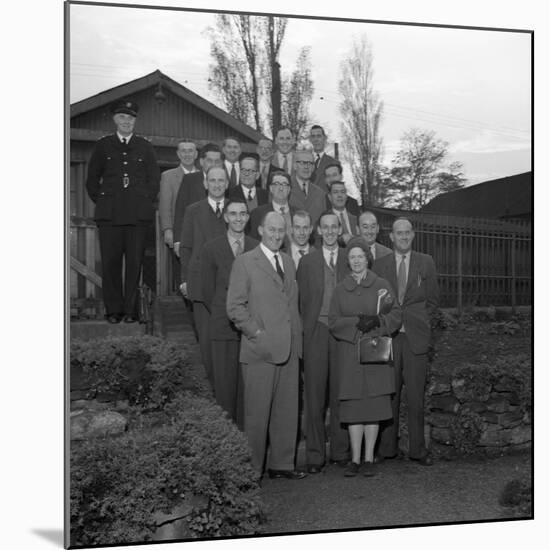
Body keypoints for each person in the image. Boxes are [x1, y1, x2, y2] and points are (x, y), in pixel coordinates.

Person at [227, 211, 306, 480]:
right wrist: (256, 333)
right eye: (271, 230)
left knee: (286, 412)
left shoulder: (288, 261)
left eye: (281, 231)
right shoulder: (245, 262)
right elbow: (234, 306)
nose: (276, 235)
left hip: (289, 349)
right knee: (257, 417)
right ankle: (252, 472)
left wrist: (298, 342)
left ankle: (282, 464)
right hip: (260, 350)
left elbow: (291, 305)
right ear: (260, 230)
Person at [329, 237, 401, 477]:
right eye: (352, 257)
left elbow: (395, 314)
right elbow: (333, 321)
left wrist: (378, 322)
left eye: (360, 256)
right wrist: (356, 323)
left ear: (367, 259)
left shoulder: (382, 285)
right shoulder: (340, 289)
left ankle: (369, 458)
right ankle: (355, 458)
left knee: (373, 406)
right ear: (347, 261)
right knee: (354, 408)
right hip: (350, 355)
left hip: (374, 353)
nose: (357, 260)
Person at [85, 99, 160, 323]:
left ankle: (131, 311)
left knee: (134, 264)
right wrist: (105, 202)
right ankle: (113, 310)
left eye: (131, 118)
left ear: (135, 121)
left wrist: (145, 202)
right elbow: (91, 181)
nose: (127, 122)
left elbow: (153, 180)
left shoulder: (145, 146)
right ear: (115, 120)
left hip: (137, 217)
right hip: (110, 217)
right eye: (122, 117)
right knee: (110, 264)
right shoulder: (103, 145)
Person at [372, 217, 439, 466]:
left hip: (415, 338)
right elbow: (375, 302)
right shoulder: (379, 264)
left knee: (415, 397)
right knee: (389, 395)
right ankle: (387, 449)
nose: (403, 236)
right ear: (391, 236)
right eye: (399, 233)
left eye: (407, 232)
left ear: (413, 235)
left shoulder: (426, 262)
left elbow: (432, 302)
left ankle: (417, 450)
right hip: (389, 337)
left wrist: (421, 323)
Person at [297, 211, 351, 473]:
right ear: (318, 231)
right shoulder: (307, 262)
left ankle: (341, 450)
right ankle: (315, 455)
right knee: (315, 396)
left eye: (334, 227)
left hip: (341, 335)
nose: (330, 231)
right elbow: (301, 302)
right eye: (325, 227)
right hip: (316, 332)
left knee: (341, 393)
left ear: (340, 230)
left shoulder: (350, 260)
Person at [201, 199, 258, 429]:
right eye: (233, 213)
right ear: (225, 217)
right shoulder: (211, 248)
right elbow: (207, 291)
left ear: (247, 217)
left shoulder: (256, 247)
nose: (238, 218)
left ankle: (248, 442)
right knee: (224, 389)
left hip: (251, 329)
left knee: (248, 389)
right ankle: (227, 444)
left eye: (242, 213)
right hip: (223, 327)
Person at [179, 166, 229, 388]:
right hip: (200, 286)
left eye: (221, 180)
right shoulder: (193, 210)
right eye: (213, 180)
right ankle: (213, 391)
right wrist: (184, 281)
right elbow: (186, 248)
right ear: (205, 183)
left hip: (228, 287)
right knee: (207, 343)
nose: (217, 184)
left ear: (227, 184)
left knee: (228, 343)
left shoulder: (235, 210)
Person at [172, 143, 223, 257]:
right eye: (209, 160)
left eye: (217, 161)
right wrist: (177, 240)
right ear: (201, 162)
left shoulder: (225, 182)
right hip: (194, 239)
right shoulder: (190, 180)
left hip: (219, 240)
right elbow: (180, 210)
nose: (213, 164)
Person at [158, 139, 198, 249]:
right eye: (183, 151)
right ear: (178, 154)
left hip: (200, 231)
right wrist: (167, 230)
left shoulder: (203, 176)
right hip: (178, 232)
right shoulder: (168, 176)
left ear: (196, 154)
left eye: (190, 151)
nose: (187, 154)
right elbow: (165, 206)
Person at [249, 170, 295, 243]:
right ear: (271, 188)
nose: (281, 188)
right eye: (276, 184)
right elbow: (253, 241)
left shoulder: (298, 213)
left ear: (289, 189)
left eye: (284, 184)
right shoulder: (257, 213)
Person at [289, 148, 327, 227]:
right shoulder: (285, 189)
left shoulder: (320, 194)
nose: (307, 167)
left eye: (310, 163)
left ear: (313, 168)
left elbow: (323, 223)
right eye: (303, 163)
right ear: (295, 166)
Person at [328, 181, 358, 246]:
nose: (339, 195)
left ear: (347, 196)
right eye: (335, 192)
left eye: (342, 192)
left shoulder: (356, 219)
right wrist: (340, 241)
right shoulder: (325, 220)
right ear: (329, 197)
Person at [308, 125, 337, 189]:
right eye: (313, 136)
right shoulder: (302, 161)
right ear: (310, 139)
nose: (316, 139)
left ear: (325, 138)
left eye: (319, 136)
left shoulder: (334, 163)